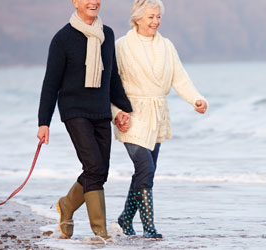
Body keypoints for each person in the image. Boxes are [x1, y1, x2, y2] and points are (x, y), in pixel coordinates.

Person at [36, 0, 133, 240]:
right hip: (74, 111)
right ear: (76, 2)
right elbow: (51, 83)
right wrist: (43, 122)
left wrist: (125, 109)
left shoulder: (107, 35)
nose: (94, 2)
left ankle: (66, 206)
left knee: (100, 172)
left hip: (100, 111)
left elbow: (112, 77)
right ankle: (100, 232)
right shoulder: (63, 39)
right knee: (94, 167)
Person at [112, 0, 208, 239]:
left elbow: (180, 77)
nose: (155, 21)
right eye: (150, 17)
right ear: (137, 19)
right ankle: (149, 228)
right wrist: (115, 113)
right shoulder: (121, 46)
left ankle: (125, 218)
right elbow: (111, 84)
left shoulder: (166, 46)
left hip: (157, 115)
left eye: (158, 17)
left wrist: (196, 99)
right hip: (131, 114)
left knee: (145, 172)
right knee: (146, 167)